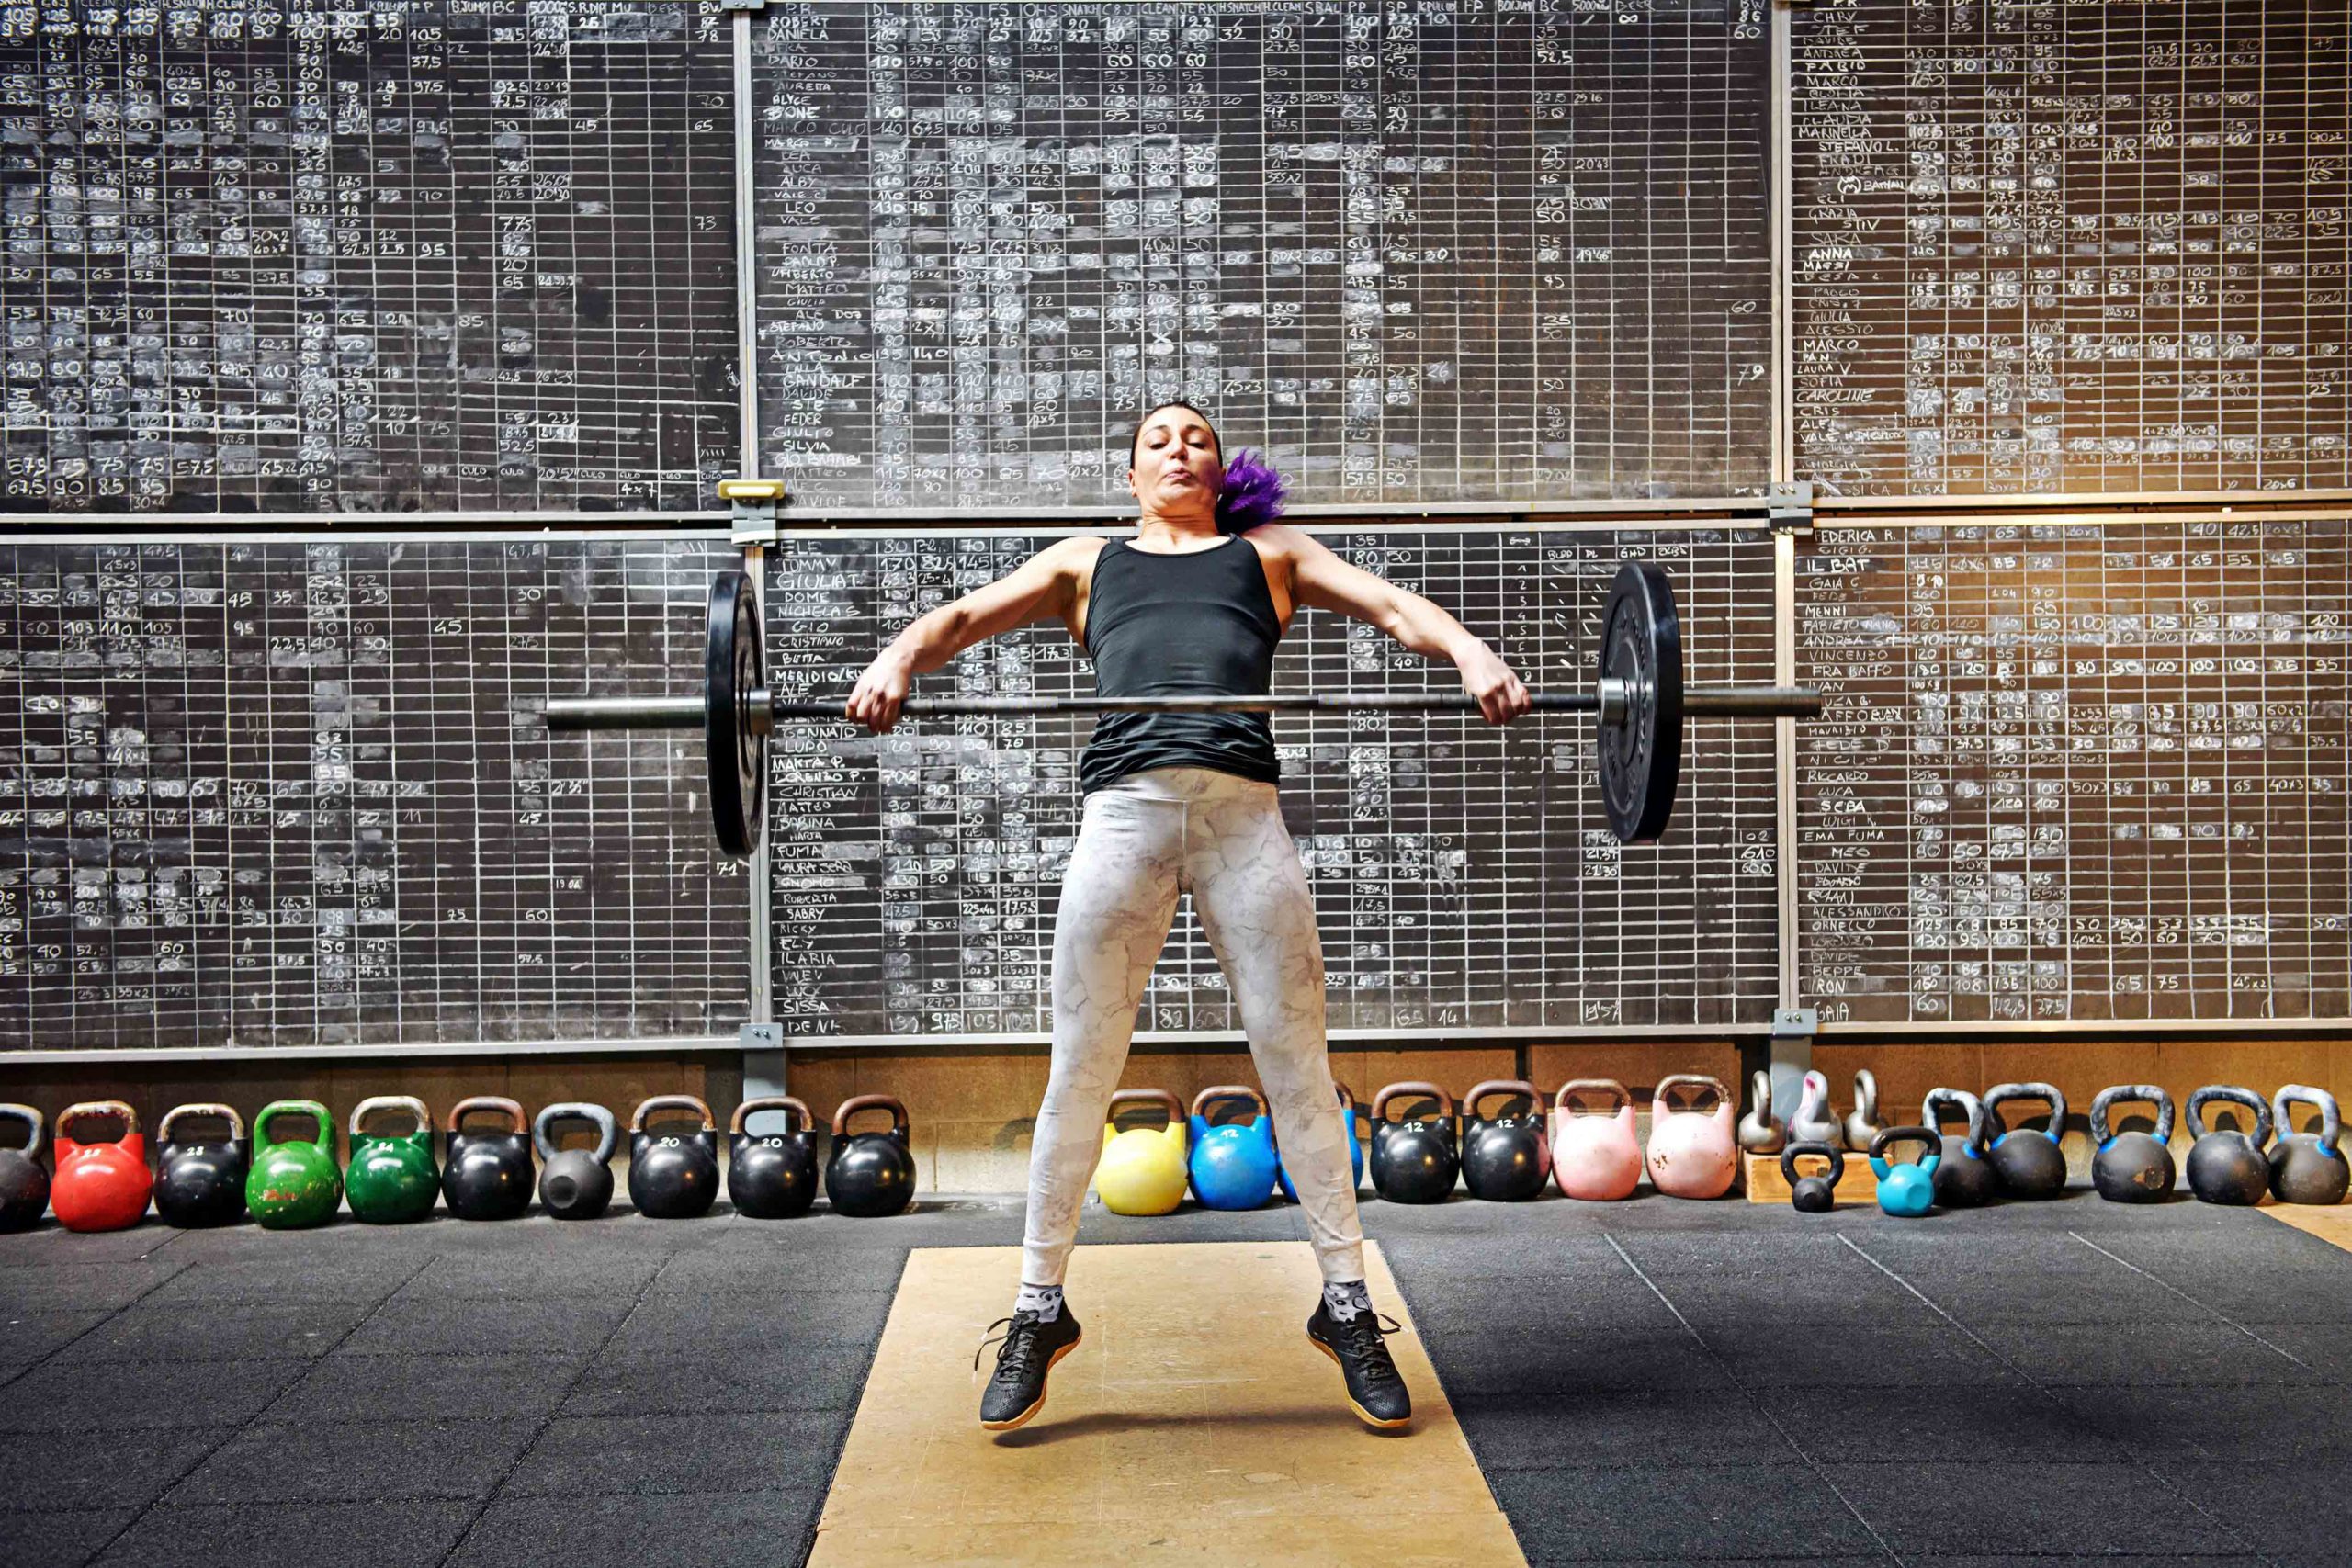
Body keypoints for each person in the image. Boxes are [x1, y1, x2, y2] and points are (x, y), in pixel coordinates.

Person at [844, 403, 1532, 1431]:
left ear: (1221, 467)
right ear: (1129, 472)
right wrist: (897, 659)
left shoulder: (1271, 556)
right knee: (1080, 1067)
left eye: (1197, 437)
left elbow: (1393, 607)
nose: (1179, 447)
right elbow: (959, 620)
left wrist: (1472, 655)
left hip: (1241, 822)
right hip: (1121, 823)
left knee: (1295, 1063)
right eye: (1158, 438)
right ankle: (1039, 1307)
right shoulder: (1085, 563)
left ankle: (1345, 1306)